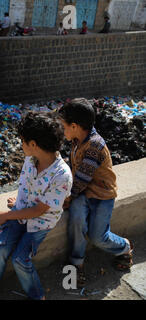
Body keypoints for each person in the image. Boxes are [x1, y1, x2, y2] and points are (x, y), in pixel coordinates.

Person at [0, 111, 73, 300]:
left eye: (23, 141)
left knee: (20, 260)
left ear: (33, 144)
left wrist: (6, 215)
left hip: (40, 223)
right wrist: (19, 203)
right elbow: (31, 189)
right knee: (0, 247)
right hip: (21, 212)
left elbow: (39, 210)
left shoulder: (61, 175)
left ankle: (37, 296)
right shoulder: (31, 160)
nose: (21, 144)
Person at [58, 98, 133, 287]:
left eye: (63, 125)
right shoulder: (77, 139)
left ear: (74, 126)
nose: (62, 130)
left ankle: (124, 247)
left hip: (101, 195)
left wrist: (67, 198)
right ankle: (76, 264)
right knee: (76, 222)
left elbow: (82, 179)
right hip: (83, 194)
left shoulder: (94, 145)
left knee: (98, 236)